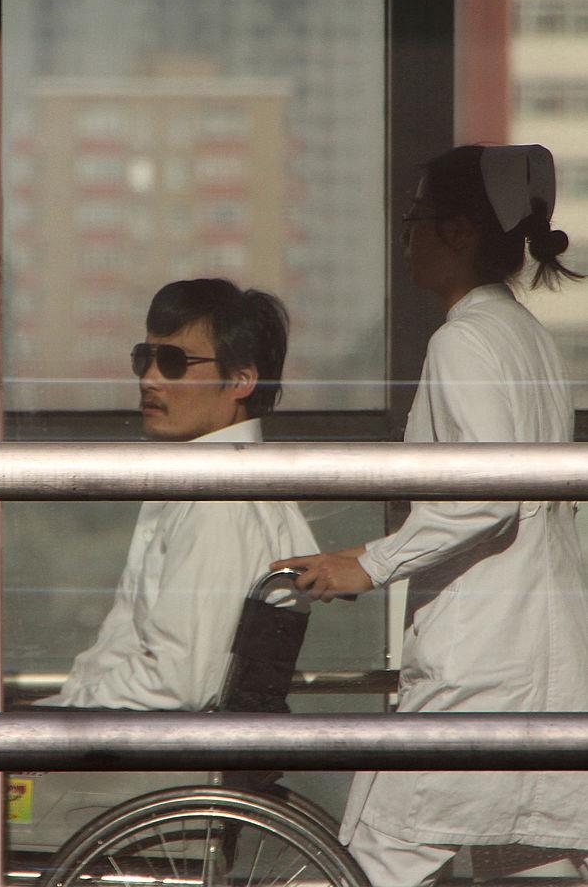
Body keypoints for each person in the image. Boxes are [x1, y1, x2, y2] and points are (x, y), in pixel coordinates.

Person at [272, 144, 588, 885]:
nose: (405, 237)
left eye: (416, 220)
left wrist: (368, 562)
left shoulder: (464, 341)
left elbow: (486, 489)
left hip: (485, 663)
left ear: (457, 232)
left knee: (370, 857)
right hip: (537, 653)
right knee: (524, 857)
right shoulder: (523, 337)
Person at [41, 277, 317, 711]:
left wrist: (59, 719)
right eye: (143, 358)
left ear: (242, 380)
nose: (150, 379)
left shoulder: (218, 501)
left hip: (148, 758)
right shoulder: (212, 485)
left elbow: (176, 683)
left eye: (173, 362)